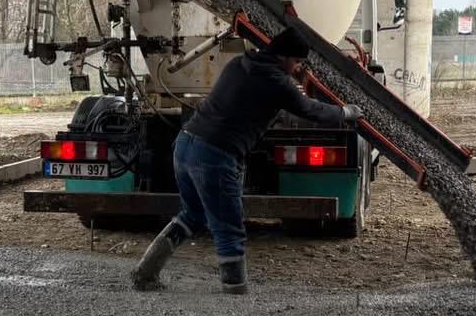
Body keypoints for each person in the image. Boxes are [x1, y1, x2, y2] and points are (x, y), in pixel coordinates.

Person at [131, 27, 360, 294]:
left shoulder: (239, 64)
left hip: (185, 144)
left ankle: (145, 272)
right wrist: (343, 112)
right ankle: (235, 295)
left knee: (193, 214)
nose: (297, 68)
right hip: (214, 155)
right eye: (297, 62)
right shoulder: (276, 81)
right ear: (284, 57)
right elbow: (309, 109)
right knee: (229, 229)